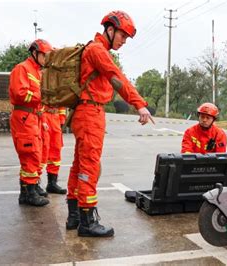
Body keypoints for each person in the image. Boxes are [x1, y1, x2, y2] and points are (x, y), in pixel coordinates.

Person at [65, 10, 154, 237]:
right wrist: (139, 104)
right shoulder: (97, 50)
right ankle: (87, 220)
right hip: (90, 113)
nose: (124, 41)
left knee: (79, 164)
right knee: (89, 166)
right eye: (122, 36)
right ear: (110, 29)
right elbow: (117, 78)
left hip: (85, 112)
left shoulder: (95, 49)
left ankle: (74, 215)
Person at [9, 39, 53, 207]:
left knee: (36, 153)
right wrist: (42, 97)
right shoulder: (22, 69)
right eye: (45, 55)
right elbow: (20, 93)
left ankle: (30, 189)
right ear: (35, 53)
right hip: (24, 117)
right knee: (30, 153)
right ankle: (29, 194)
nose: (46, 59)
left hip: (33, 117)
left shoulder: (37, 72)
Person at [40, 105, 67, 194]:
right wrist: (42, 119)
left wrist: (62, 120)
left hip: (55, 119)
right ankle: (34, 184)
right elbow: (38, 102)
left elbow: (62, 103)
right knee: (42, 151)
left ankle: (52, 184)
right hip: (44, 116)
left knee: (56, 151)